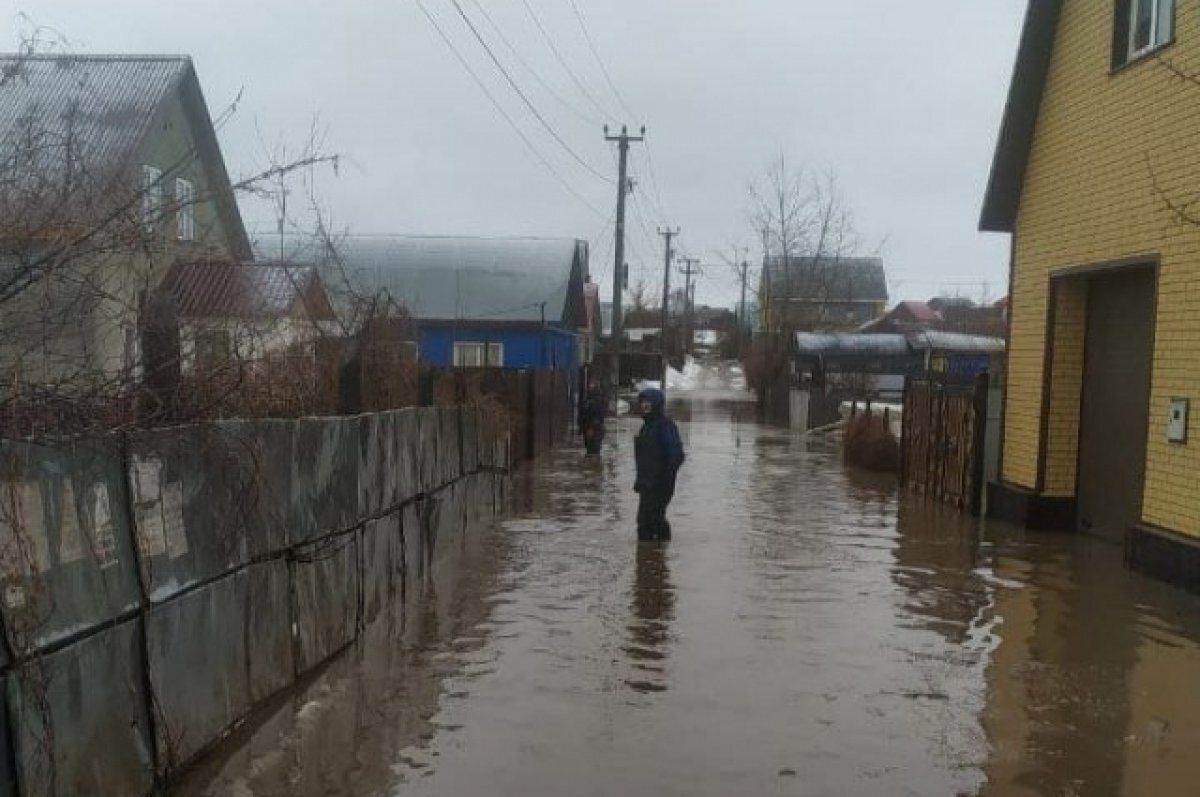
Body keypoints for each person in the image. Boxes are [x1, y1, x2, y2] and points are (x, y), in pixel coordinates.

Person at [633, 388, 684, 541]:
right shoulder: (645, 427)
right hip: (646, 483)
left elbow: (677, 455)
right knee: (647, 520)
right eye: (642, 403)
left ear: (656, 405)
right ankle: (653, 556)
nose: (644, 407)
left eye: (648, 404)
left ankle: (655, 556)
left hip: (660, 484)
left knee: (651, 519)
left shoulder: (665, 426)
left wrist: (665, 476)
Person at [579, 379, 609, 454]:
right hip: (589, 429)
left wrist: (591, 428)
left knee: (593, 452)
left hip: (594, 430)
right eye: (589, 386)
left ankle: (594, 464)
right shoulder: (589, 400)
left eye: (591, 387)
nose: (589, 388)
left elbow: (597, 416)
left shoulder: (597, 400)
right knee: (590, 451)